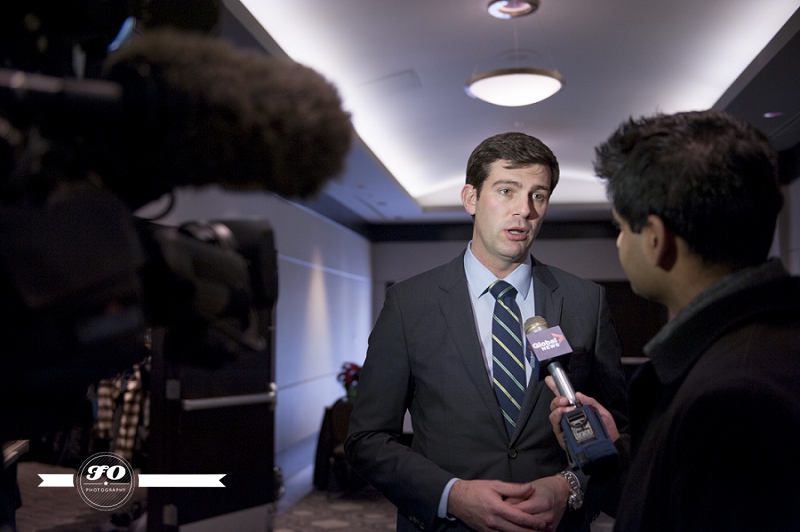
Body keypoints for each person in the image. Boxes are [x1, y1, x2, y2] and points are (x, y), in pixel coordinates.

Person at [345, 132, 629, 532]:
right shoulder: (408, 305)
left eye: (538, 195)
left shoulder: (587, 302)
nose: (524, 210)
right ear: (471, 199)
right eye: (506, 190)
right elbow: (368, 439)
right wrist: (451, 495)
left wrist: (569, 488)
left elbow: (620, 432)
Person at [547, 110, 800, 531]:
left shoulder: (734, 401)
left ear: (656, 239)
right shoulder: (761, 349)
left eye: (621, 228)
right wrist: (614, 457)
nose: (620, 243)